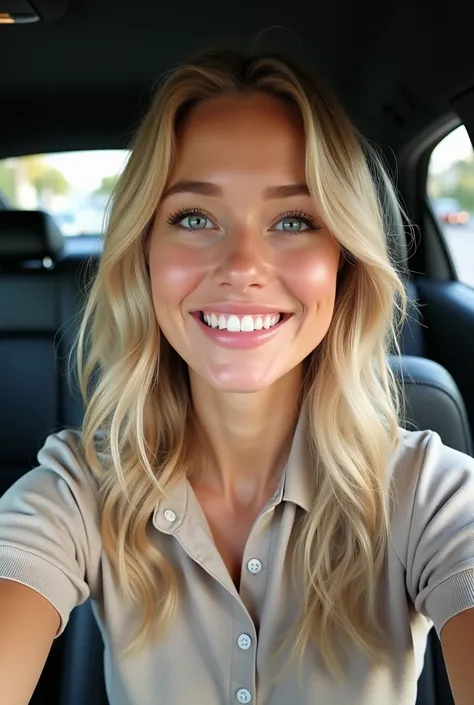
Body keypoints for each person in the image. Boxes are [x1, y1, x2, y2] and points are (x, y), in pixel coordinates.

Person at [0, 48, 473, 705]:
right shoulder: (78, 490)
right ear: (143, 254)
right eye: (194, 218)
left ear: (344, 262)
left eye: (293, 220)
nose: (242, 264)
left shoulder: (431, 494)